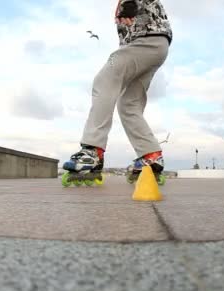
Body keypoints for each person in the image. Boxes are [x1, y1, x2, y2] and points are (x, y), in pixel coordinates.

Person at [62, 0, 173, 182]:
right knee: (128, 104)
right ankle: (151, 155)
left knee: (104, 79)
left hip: (147, 40)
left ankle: (92, 151)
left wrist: (129, 3)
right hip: (155, 45)